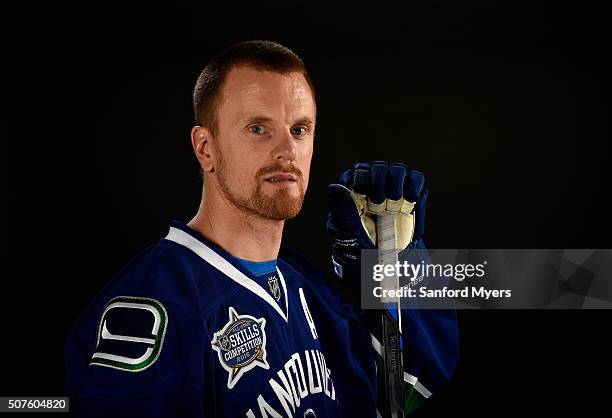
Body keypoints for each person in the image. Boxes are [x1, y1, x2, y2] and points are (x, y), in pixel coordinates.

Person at [65, 40, 458, 418]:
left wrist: (389, 268)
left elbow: (406, 389)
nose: (287, 151)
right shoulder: (155, 311)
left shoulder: (305, 288)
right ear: (205, 148)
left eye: (300, 129)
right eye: (258, 128)